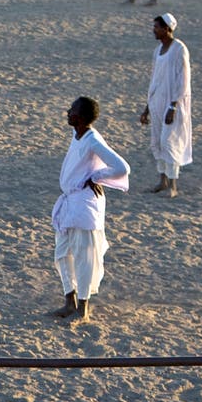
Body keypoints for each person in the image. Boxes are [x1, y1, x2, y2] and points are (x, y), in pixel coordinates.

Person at [50, 96, 130, 322]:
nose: (68, 111)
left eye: (72, 109)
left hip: (85, 206)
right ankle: (69, 302)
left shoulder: (93, 139)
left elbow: (122, 167)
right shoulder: (78, 135)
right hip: (70, 205)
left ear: (82, 117)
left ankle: (82, 308)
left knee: (84, 257)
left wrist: (97, 177)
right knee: (62, 253)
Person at [139, 12, 192, 197]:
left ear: (167, 29)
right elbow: (154, 79)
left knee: (169, 142)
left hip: (173, 103)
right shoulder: (158, 51)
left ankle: (173, 186)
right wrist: (147, 108)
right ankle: (162, 181)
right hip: (156, 102)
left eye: (156, 27)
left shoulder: (179, 49)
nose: (154, 30)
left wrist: (173, 105)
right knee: (157, 143)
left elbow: (183, 80)